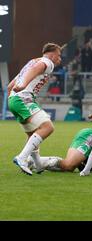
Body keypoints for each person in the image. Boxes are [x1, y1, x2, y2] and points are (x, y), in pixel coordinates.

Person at [7, 43, 62, 175]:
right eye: (59, 56)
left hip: (13, 100)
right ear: (52, 54)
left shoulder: (31, 62)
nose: (60, 59)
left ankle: (38, 165)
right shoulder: (47, 62)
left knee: (33, 134)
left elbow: (10, 86)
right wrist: (24, 85)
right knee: (47, 127)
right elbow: (36, 69)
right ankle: (22, 158)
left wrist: (12, 99)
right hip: (23, 98)